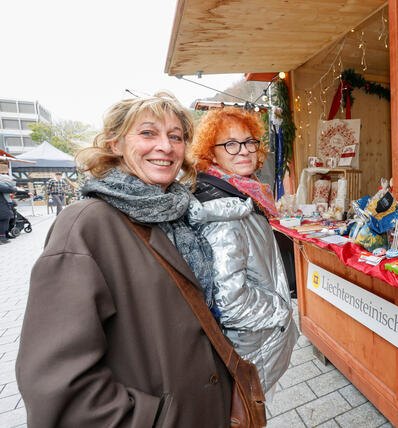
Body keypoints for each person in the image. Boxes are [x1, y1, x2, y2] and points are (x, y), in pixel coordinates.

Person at [16, 93, 234, 427]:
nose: (165, 146)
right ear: (115, 144)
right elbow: (58, 388)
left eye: (175, 136)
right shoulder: (86, 224)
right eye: (148, 133)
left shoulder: (179, 213)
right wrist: (150, 420)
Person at [189, 106, 298, 397]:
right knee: (248, 411)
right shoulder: (224, 213)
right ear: (210, 153)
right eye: (231, 144)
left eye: (249, 141)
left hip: (255, 342)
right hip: (252, 345)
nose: (244, 151)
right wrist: (282, 311)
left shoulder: (241, 194)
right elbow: (231, 304)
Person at [0, 174, 17, 244]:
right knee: (4, 219)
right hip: (2, 205)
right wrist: (14, 189)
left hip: (4, 204)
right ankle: (2, 238)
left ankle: (5, 235)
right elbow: (8, 189)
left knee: (7, 219)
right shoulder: (1, 185)